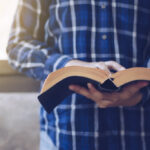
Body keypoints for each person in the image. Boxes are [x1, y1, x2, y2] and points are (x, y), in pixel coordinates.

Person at [6, 0, 150, 149]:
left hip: (138, 132)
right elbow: (17, 46)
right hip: (62, 135)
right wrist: (68, 66)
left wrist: (141, 95)